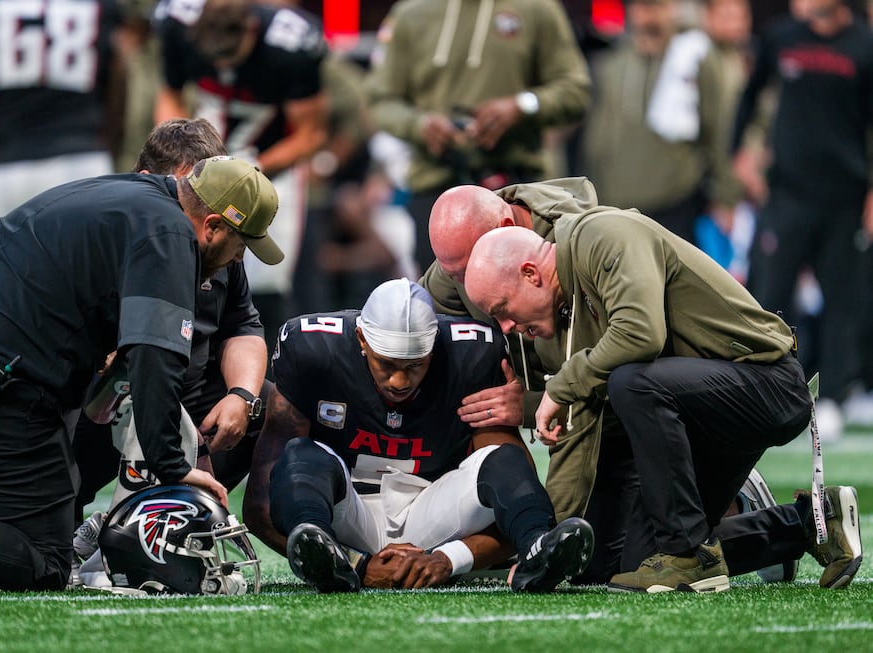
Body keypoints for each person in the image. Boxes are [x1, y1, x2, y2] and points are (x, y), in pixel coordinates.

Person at [0, 155, 281, 591]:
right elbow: (155, 360)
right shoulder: (169, 233)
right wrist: (171, 465)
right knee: (45, 561)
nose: (237, 259)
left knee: (61, 500)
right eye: (241, 245)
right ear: (211, 226)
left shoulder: (137, 195)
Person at [464, 222, 861, 592]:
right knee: (619, 565)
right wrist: (546, 544)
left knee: (632, 383)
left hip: (767, 383)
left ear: (532, 274)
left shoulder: (603, 234)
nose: (505, 327)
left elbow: (640, 334)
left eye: (501, 309)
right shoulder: (560, 318)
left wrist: (562, 386)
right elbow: (578, 433)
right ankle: (809, 525)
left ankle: (693, 549)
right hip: (700, 414)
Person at [242, 278, 594, 593]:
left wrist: (448, 558)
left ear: (435, 347)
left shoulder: (469, 356)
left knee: (504, 458)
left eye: (414, 365)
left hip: (432, 510)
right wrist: (357, 565)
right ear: (362, 338)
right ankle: (329, 558)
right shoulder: (314, 352)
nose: (399, 381)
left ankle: (536, 550)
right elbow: (261, 505)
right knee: (300, 455)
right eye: (387, 364)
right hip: (343, 513)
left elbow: (510, 492)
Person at [72, 118, 270, 529]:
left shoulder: (217, 237)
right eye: (189, 189)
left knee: (271, 404)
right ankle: (82, 522)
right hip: (104, 397)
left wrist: (242, 396)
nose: (196, 202)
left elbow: (244, 324)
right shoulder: (122, 229)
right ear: (151, 183)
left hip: (185, 395)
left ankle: (157, 515)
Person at [729, 0, 873, 439]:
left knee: (843, 300)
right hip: (787, 193)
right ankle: (761, 394)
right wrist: (740, 154)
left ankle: (833, 396)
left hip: (845, 197)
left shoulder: (865, 45)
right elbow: (750, 95)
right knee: (769, 296)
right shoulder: (782, 36)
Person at [364, 0, 591, 276]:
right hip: (437, 187)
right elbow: (379, 100)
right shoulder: (411, 12)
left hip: (518, 190)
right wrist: (420, 126)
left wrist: (522, 105)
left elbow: (575, 90)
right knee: (442, 310)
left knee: (529, 306)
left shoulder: (536, 8)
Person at [155, 0, 329, 350]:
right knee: (185, 275)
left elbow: (311, 134)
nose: (220, 65)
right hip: (199, 171)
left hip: (267, 173)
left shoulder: (290, 44)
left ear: (251, 30)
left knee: (261, 289)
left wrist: (248, 173)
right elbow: (169, 96)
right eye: (212, 55)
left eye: (229, 54)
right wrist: (178, 152)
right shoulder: (176, 23)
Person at [0, 0, 126, 246]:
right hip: (82, 163)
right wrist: (107, 152)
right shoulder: (100, 6)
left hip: (7, 169)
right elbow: (119, 81)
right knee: (89, 281)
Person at [574, 0, 742, 244]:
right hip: (614, 207)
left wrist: (726, 195)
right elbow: (598, 134)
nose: (648, 18)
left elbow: (720, 129)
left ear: (673, 9)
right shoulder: (613, 62)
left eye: (657, 7)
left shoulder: (693, 57)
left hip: (675, 205)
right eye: (642, 7)